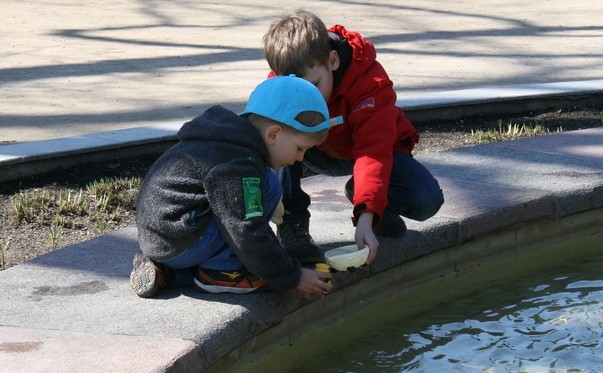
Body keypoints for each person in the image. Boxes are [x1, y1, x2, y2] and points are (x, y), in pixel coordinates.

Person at [129, 75, 342, 299]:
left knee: (254, 192)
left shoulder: (225, 139)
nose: (300, 158)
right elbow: (246, 230)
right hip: (181, 238)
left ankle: (166, 272)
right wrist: (293, 276)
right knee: (268, 186)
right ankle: (223, 271)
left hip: (163, 239)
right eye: (300, 148)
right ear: (273, 134)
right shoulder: (239, 164)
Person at [263, 10, 444, 267]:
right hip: (315, 149)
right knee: (277, 136)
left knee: (425, 200)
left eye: (314, 85)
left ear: (333, 61)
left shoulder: (369, 81)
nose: (307, 98)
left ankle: (373, 202)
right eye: (296, 91)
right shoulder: (281, 79)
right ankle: (293, 226)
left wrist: (366, 217)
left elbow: (373, 153)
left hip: (368, 151)